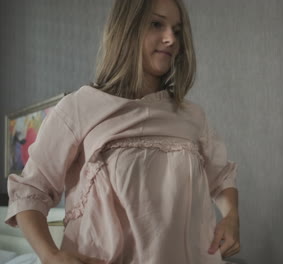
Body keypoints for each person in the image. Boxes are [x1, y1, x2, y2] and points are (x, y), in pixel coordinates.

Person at [4, 0, 240, 263]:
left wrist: (231, 217)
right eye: (156, 24)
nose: (170, 38)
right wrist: (50, 255)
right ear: (126, 28)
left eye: (177, 30)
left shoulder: (193, 116)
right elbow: (31, 192)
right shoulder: (78, 108)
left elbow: (221, 178)